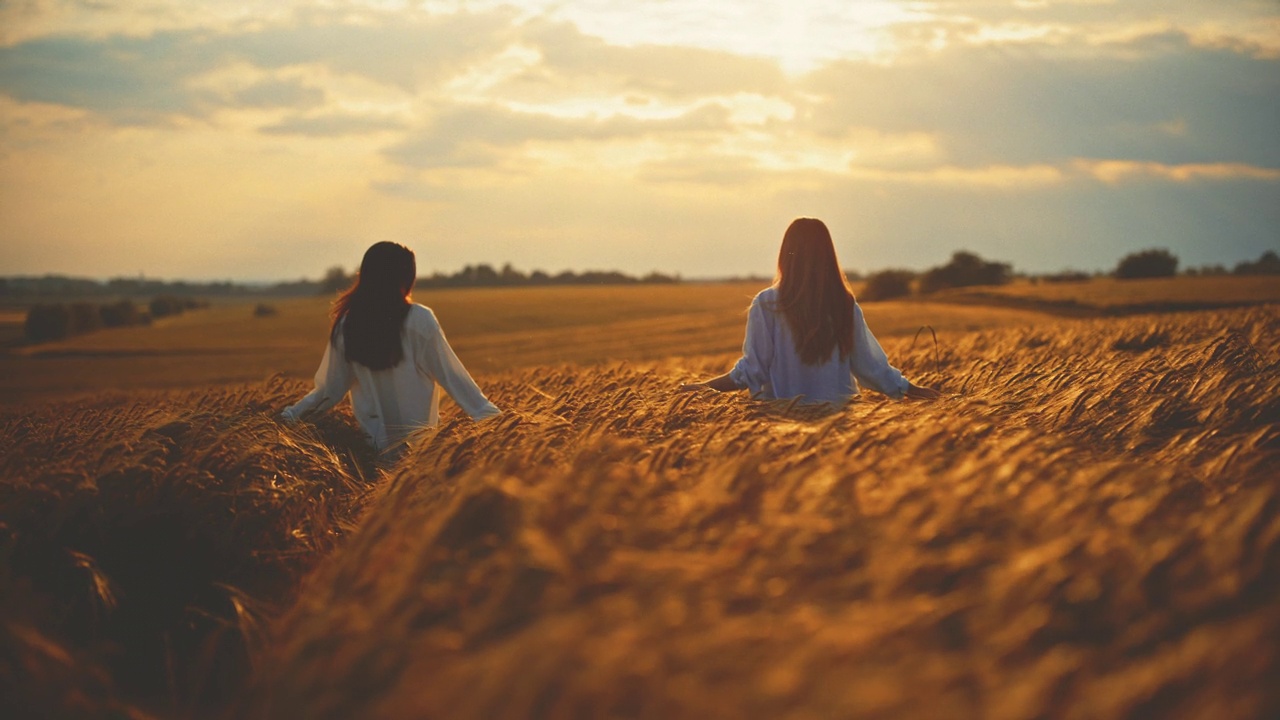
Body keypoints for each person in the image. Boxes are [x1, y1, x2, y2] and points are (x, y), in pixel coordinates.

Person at [681, 218, 940, 403]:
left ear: (785, 254)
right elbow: (870, 366)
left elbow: (752, 372)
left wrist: (702, 388)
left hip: (779, 429)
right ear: (828, 255)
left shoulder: (767, 304)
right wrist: (912, 389)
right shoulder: (843, 303)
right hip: (838, 428)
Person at [281, 242, 500, 457]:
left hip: (374, 457)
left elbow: (327, 392)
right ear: (404, 278)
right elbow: (454, 379)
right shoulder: (419, 320)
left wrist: (287, 418)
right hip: (421, 456)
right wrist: (500, 423)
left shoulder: (347, 325)